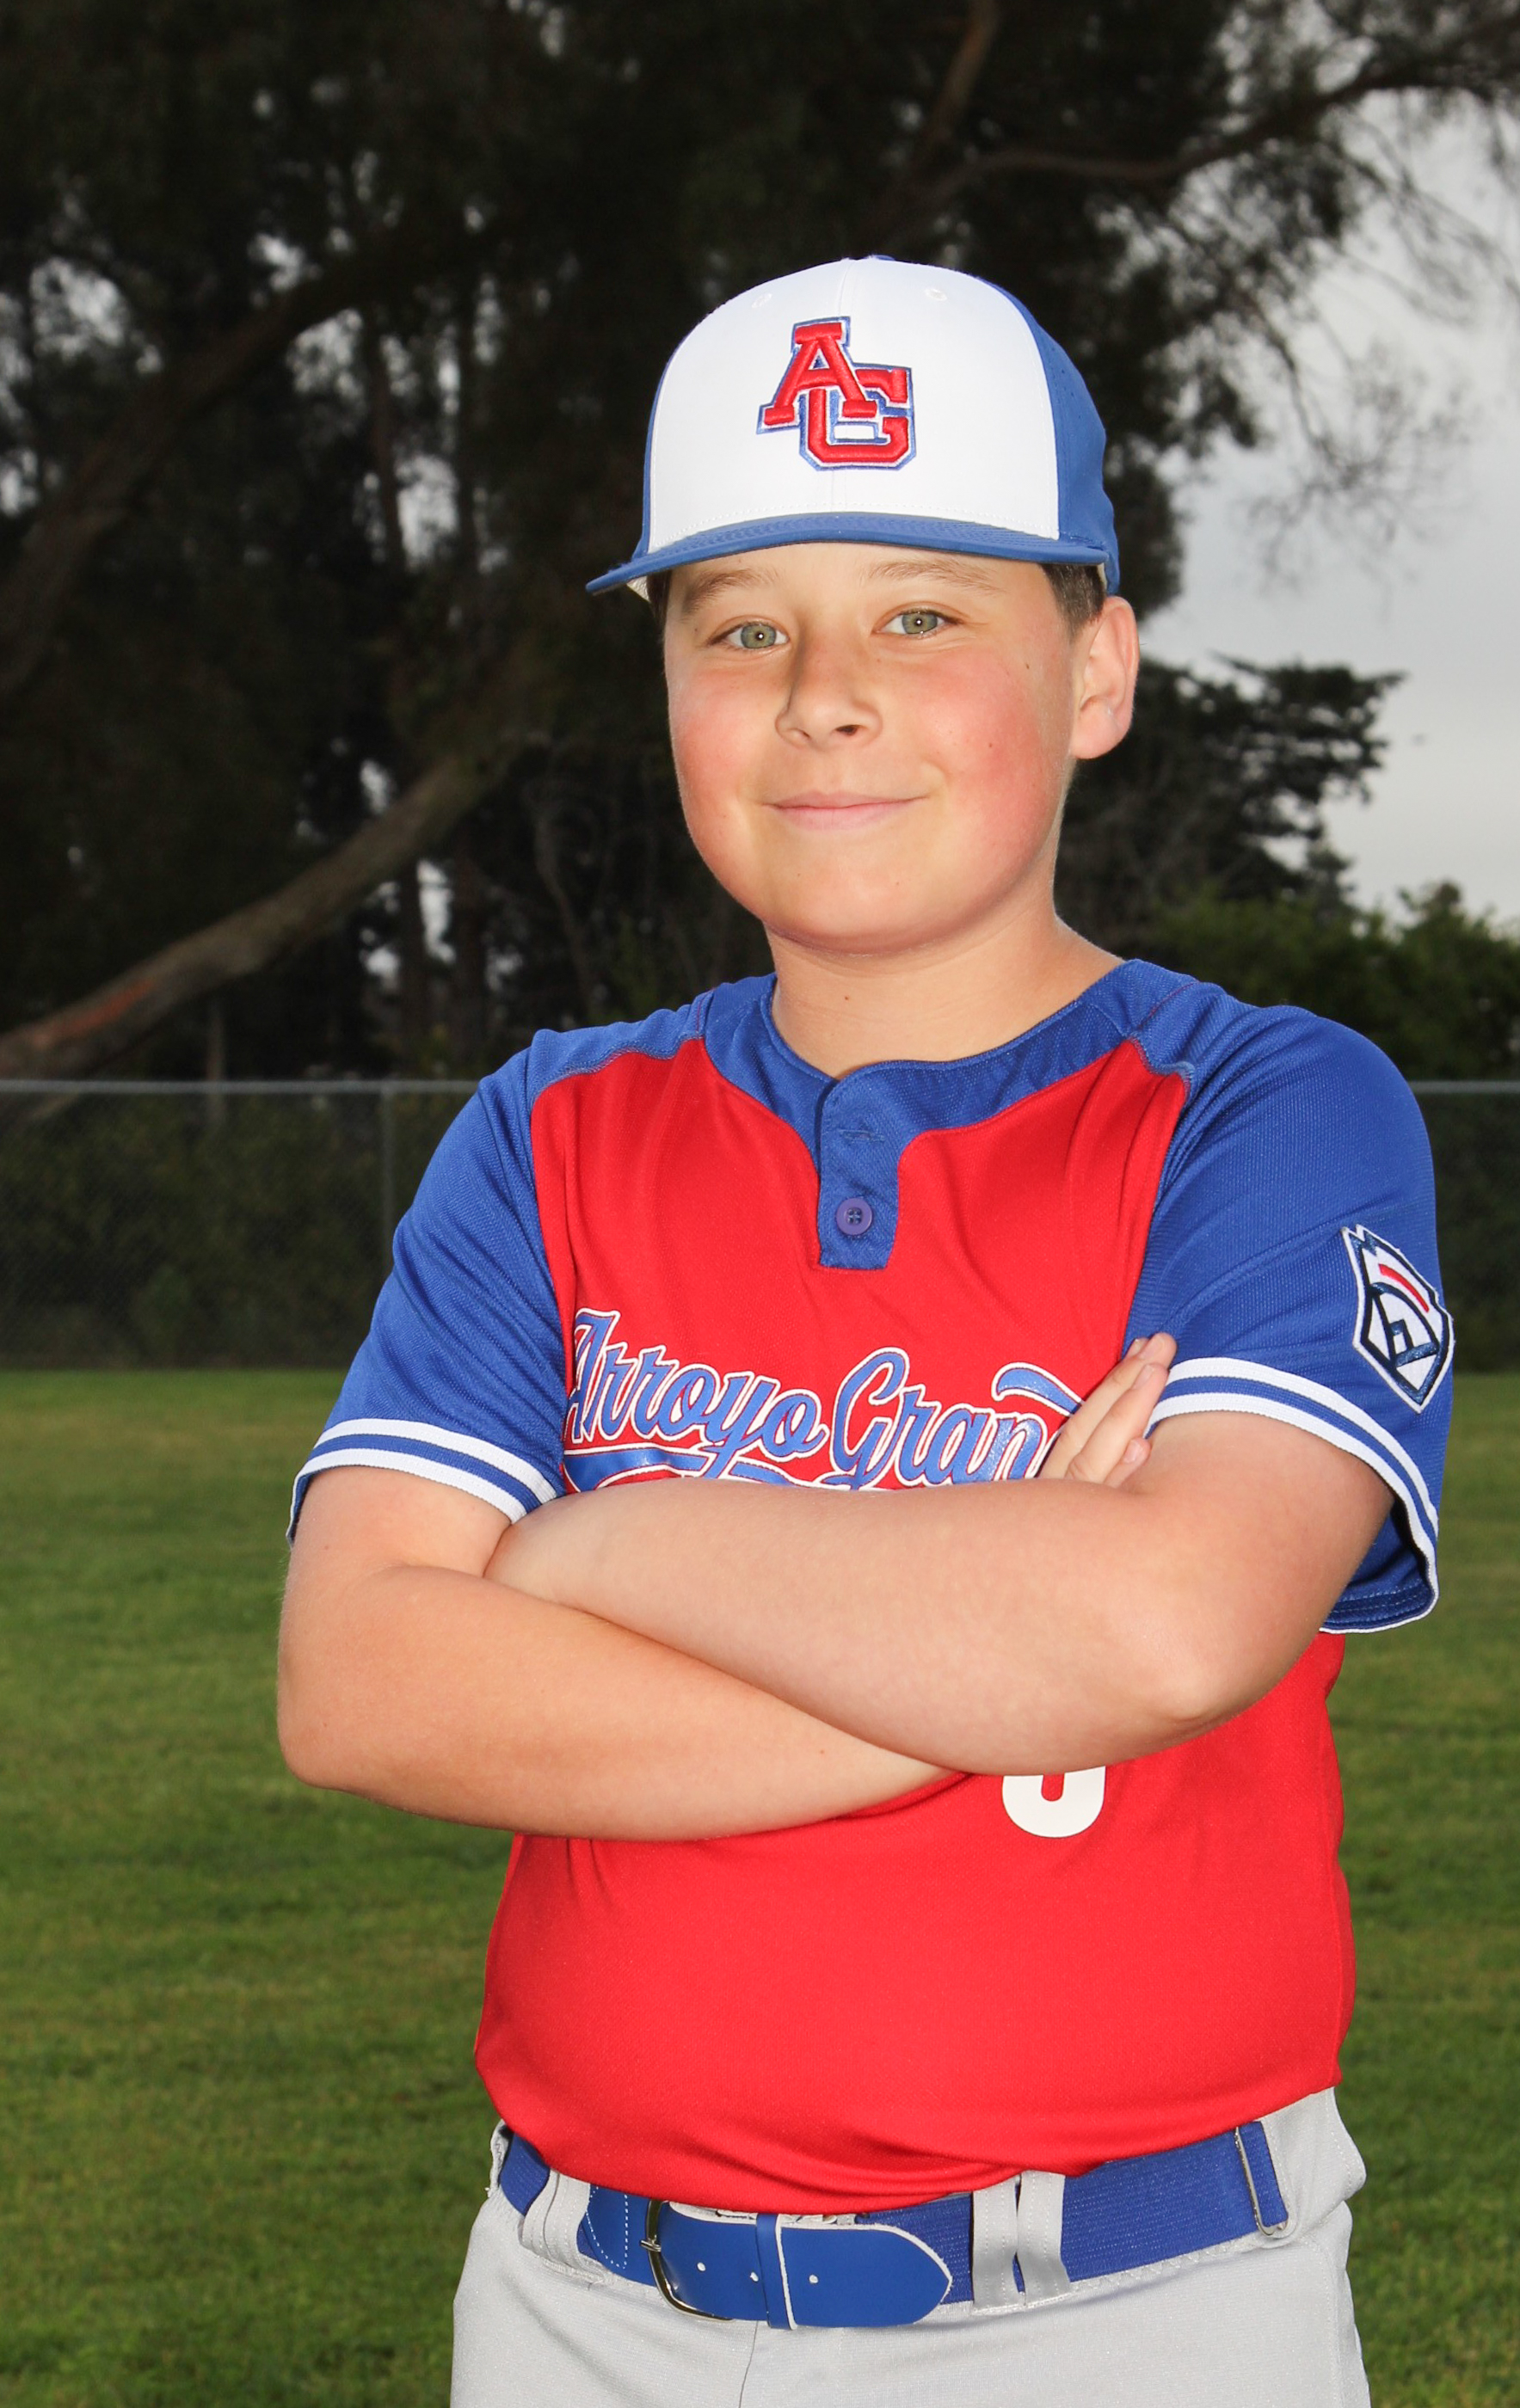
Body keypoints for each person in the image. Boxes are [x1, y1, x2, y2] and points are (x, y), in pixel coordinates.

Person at [278, 255, 1454, 2407]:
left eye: (922, 615)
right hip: (580, 2310)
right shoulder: (552, 1128)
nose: (824, 695)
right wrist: (990, 1658)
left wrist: (613, 1543)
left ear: (1095, 670)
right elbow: (359, 1679)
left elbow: (1171, 1620)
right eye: (742, 628)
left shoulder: (1264, 1108)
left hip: (1127, 2315)